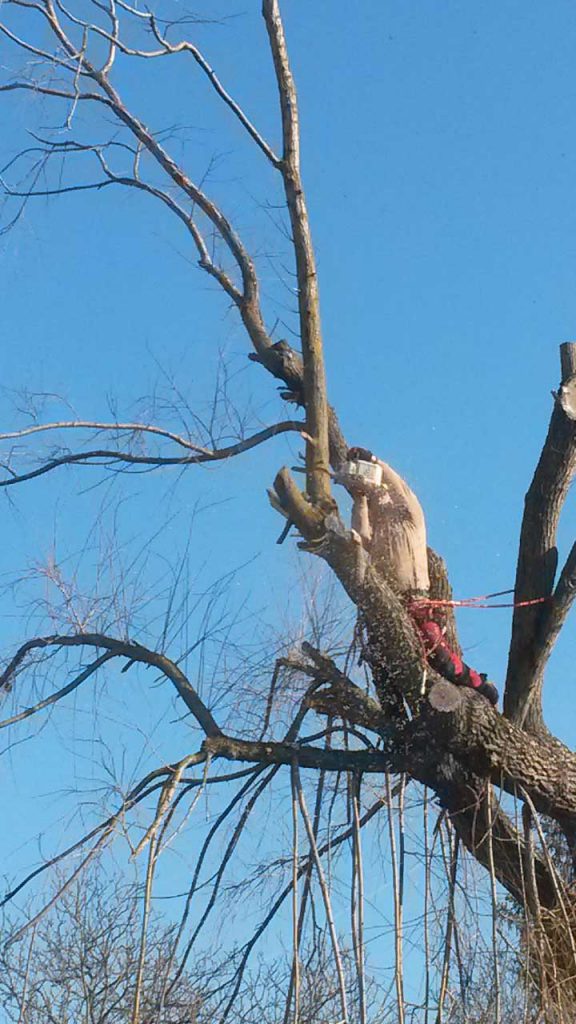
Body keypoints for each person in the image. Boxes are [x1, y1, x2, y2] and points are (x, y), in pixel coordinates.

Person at [338, 446, 498, 706]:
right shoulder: (377, 534)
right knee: (385, 671)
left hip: (416, 600)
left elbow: (399, 487)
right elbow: (360, 535)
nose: (381, 502)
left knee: (441, 659)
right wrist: (360, 499)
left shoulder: (412, 519)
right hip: (389, 604)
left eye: (383, 498)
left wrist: (375, 461)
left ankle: (480, 685)